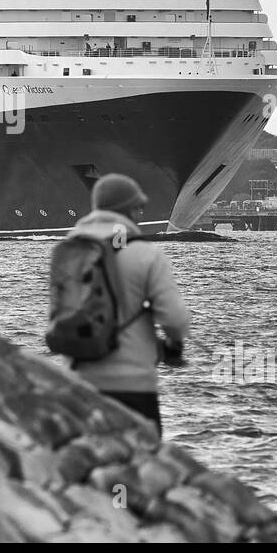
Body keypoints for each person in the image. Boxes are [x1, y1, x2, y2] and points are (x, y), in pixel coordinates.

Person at [63, 173, 190, 436]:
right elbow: (175, 319)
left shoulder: (67, 252)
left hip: (84, 382)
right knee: (144, 458)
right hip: (134, 383)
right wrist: (173, 347)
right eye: (137, 207)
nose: (141, 213)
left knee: (93, 455)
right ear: (127, 210)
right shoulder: (146, 254)